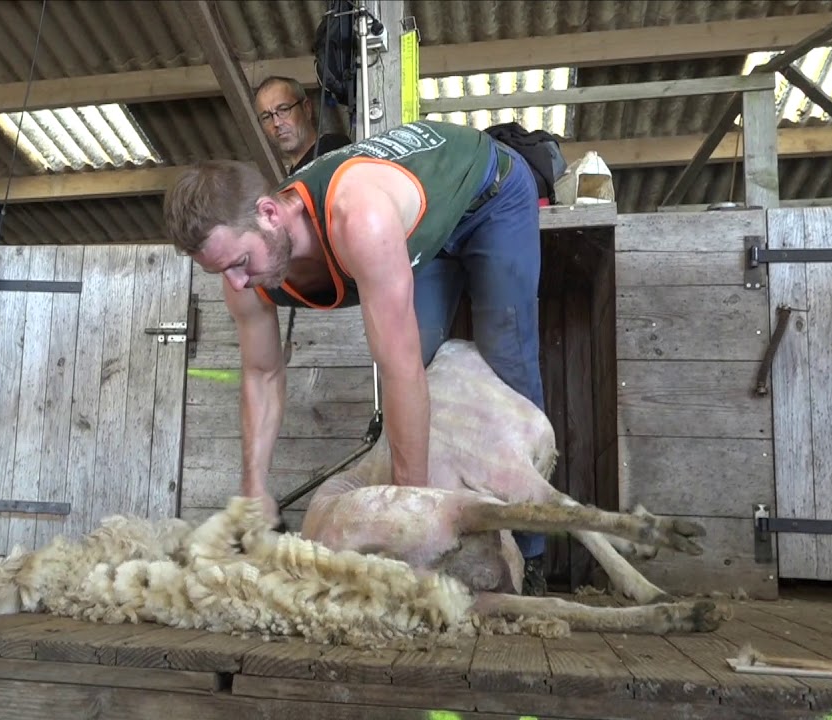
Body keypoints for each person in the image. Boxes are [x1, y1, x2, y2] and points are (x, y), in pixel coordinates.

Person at [162, 119, 549, 595]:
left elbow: (397, 370)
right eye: (223, 271)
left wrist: (408, 521)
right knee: (423, 359)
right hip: (417, 234)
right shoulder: (241, 272)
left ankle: (532, 556)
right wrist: (254, 489)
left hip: (488, 194)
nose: (237, 283)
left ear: (268, 213)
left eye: (241, 263)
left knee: (505, 361)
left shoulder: (358, 217)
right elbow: (261, 375)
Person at [253, 76, 352, 173]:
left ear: (306, 109)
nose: (276, 123)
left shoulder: (335, 150)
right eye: (266, 117)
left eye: (284, 109)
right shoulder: (294, 177)